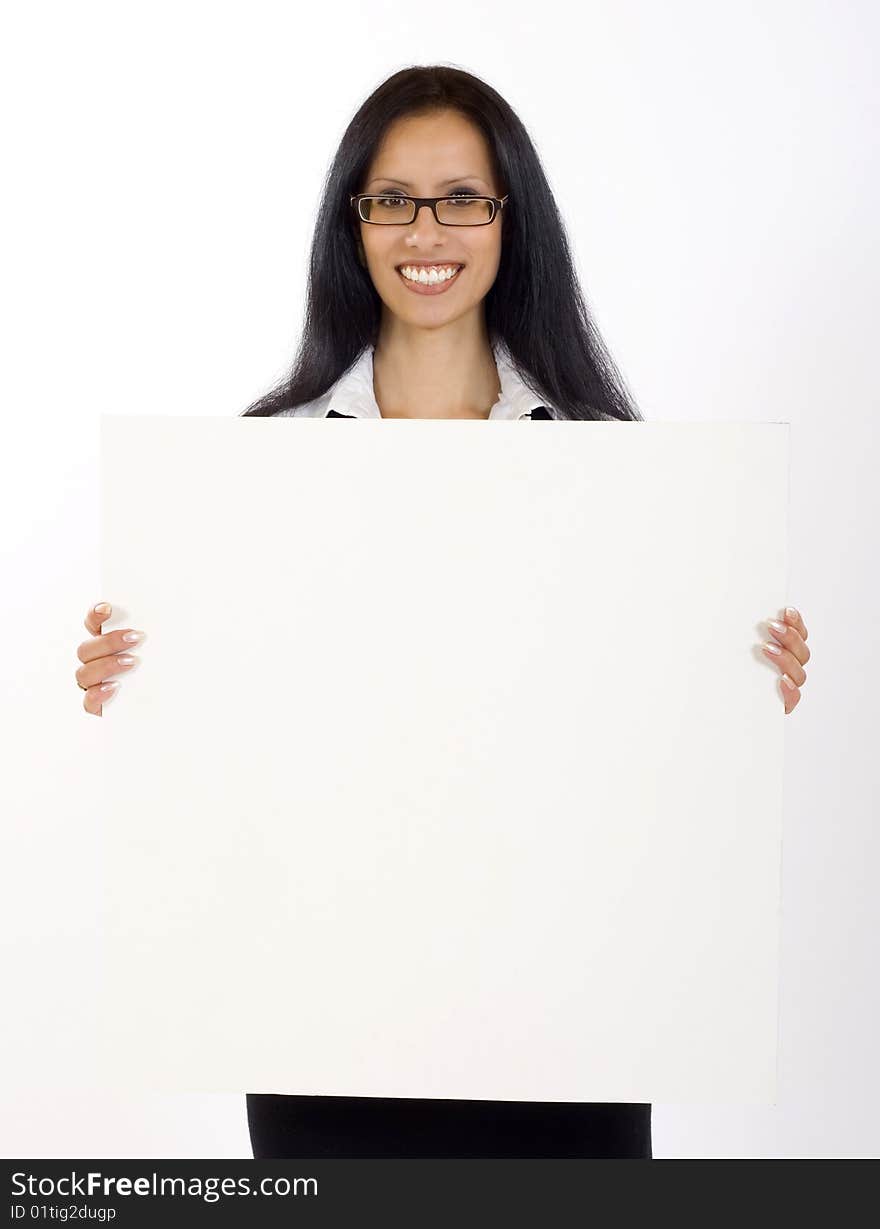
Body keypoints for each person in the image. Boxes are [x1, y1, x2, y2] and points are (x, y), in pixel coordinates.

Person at [74, 65, 811, 1158]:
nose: (429, 230)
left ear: (513, 219)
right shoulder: (255, 465)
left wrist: (752, 680)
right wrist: (129, 687)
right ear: (353, 223)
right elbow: (229, 740)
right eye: (393, 199)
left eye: (464, 197)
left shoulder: (610, 466)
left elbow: (650, 750)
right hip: (320, 1006)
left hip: (569, 1009)